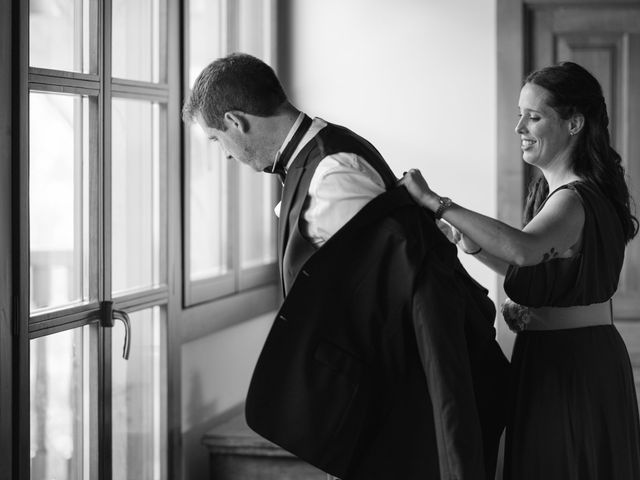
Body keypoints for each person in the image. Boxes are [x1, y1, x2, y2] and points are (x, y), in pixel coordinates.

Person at [183, 52, 510, 480]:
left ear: (236, 121)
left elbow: (388, 306)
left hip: (402, 415)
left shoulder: (335, 172)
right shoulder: (319, 155)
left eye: (215, 140)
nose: (224, 155)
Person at [400, 61, 640, 479]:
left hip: (572, 366)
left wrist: (437, 202)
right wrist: (470, 244)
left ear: (574, 124)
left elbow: (525, 249)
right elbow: (539, 268)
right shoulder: (558, 195)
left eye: (534, 116)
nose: (520, 129)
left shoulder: (573, 199)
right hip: (556, 360)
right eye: (519, 115)